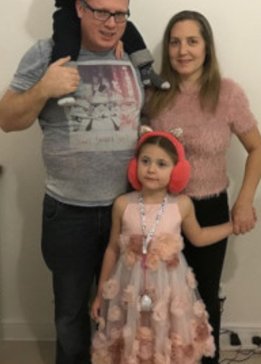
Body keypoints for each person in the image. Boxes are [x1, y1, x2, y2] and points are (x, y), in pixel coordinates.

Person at [0, 0, 143, 363]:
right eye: (101, 12)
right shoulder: (47, 54)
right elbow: (7, 119)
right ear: (79, 8)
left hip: (126, 211)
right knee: (71, 316)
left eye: (120, 14)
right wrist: (44, 88)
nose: (111, 23)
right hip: (69, 213)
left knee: (123, 311)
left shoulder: (133, 57)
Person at [145, 10, 261, 364]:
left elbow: (258, 149)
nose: (183, 50)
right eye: (175, 42)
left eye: (192, 41)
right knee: (160, 296)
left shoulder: (227, 94)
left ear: (207, 47)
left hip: (210, 208)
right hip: (161, 210)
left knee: (204, 297)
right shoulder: (154, 93)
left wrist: (244, 201)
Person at [90, 129, 233, 364]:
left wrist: (232, 227)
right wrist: (100, 294)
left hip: (169, 291)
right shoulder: (123, 204)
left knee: (166, 339)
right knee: (132, 341)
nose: (151, 169)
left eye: (161, 164)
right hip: (129, 290)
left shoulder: (182, 205)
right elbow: (112, 249)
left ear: (176, 170)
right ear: (135, 164)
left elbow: (198, 237)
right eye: (145, 161)